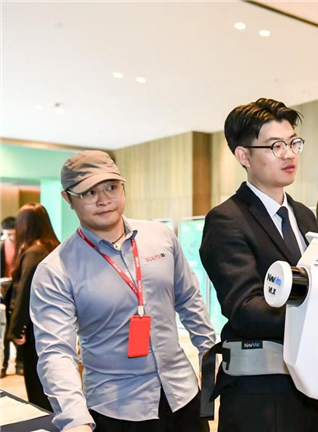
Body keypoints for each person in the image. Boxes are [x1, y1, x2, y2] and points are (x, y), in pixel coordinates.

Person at [30, 150, 217, 432]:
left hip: (183, 396)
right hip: (115, 410)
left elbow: (189, 299)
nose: (104, 199)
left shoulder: (161, 237)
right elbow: (56, 352)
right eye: (89, 192)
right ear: (67, 198)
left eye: (111, 187)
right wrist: (75, 419)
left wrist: (208, 355)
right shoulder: (56, 269)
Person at [200, 98, 318, 431]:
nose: (289, 154)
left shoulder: (303, 215)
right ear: (244, 156)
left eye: (293, 143)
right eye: (276, 146)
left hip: (314, 385)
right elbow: (247, 309)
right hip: (262, 391)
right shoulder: (227, 220)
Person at [6, 203, 59, 411]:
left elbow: (25, 292)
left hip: (36, 329)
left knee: (37, 385)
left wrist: (17, 328)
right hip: (56, 323)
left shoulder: (34, 252)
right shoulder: (54, 248)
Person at [1, 215, 24, 378]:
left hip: (18, 292)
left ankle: (20, 363)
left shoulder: (24, 247)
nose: (9, 238)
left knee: (18, 326)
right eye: (6, 234)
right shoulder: (2, 247)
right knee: (3, 330)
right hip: (3, 292)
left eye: (12, 234)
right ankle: (3, 364)